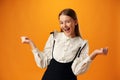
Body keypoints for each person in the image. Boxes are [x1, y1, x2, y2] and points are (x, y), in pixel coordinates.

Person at [21, 8, 108, 80]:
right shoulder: (54, 37)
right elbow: (43, 62)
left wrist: (95, 53)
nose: (64, 25)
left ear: (75, 22)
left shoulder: (82, 44)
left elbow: (77, 70)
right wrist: (30, 43)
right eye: (61, 22)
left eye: (67, 21)